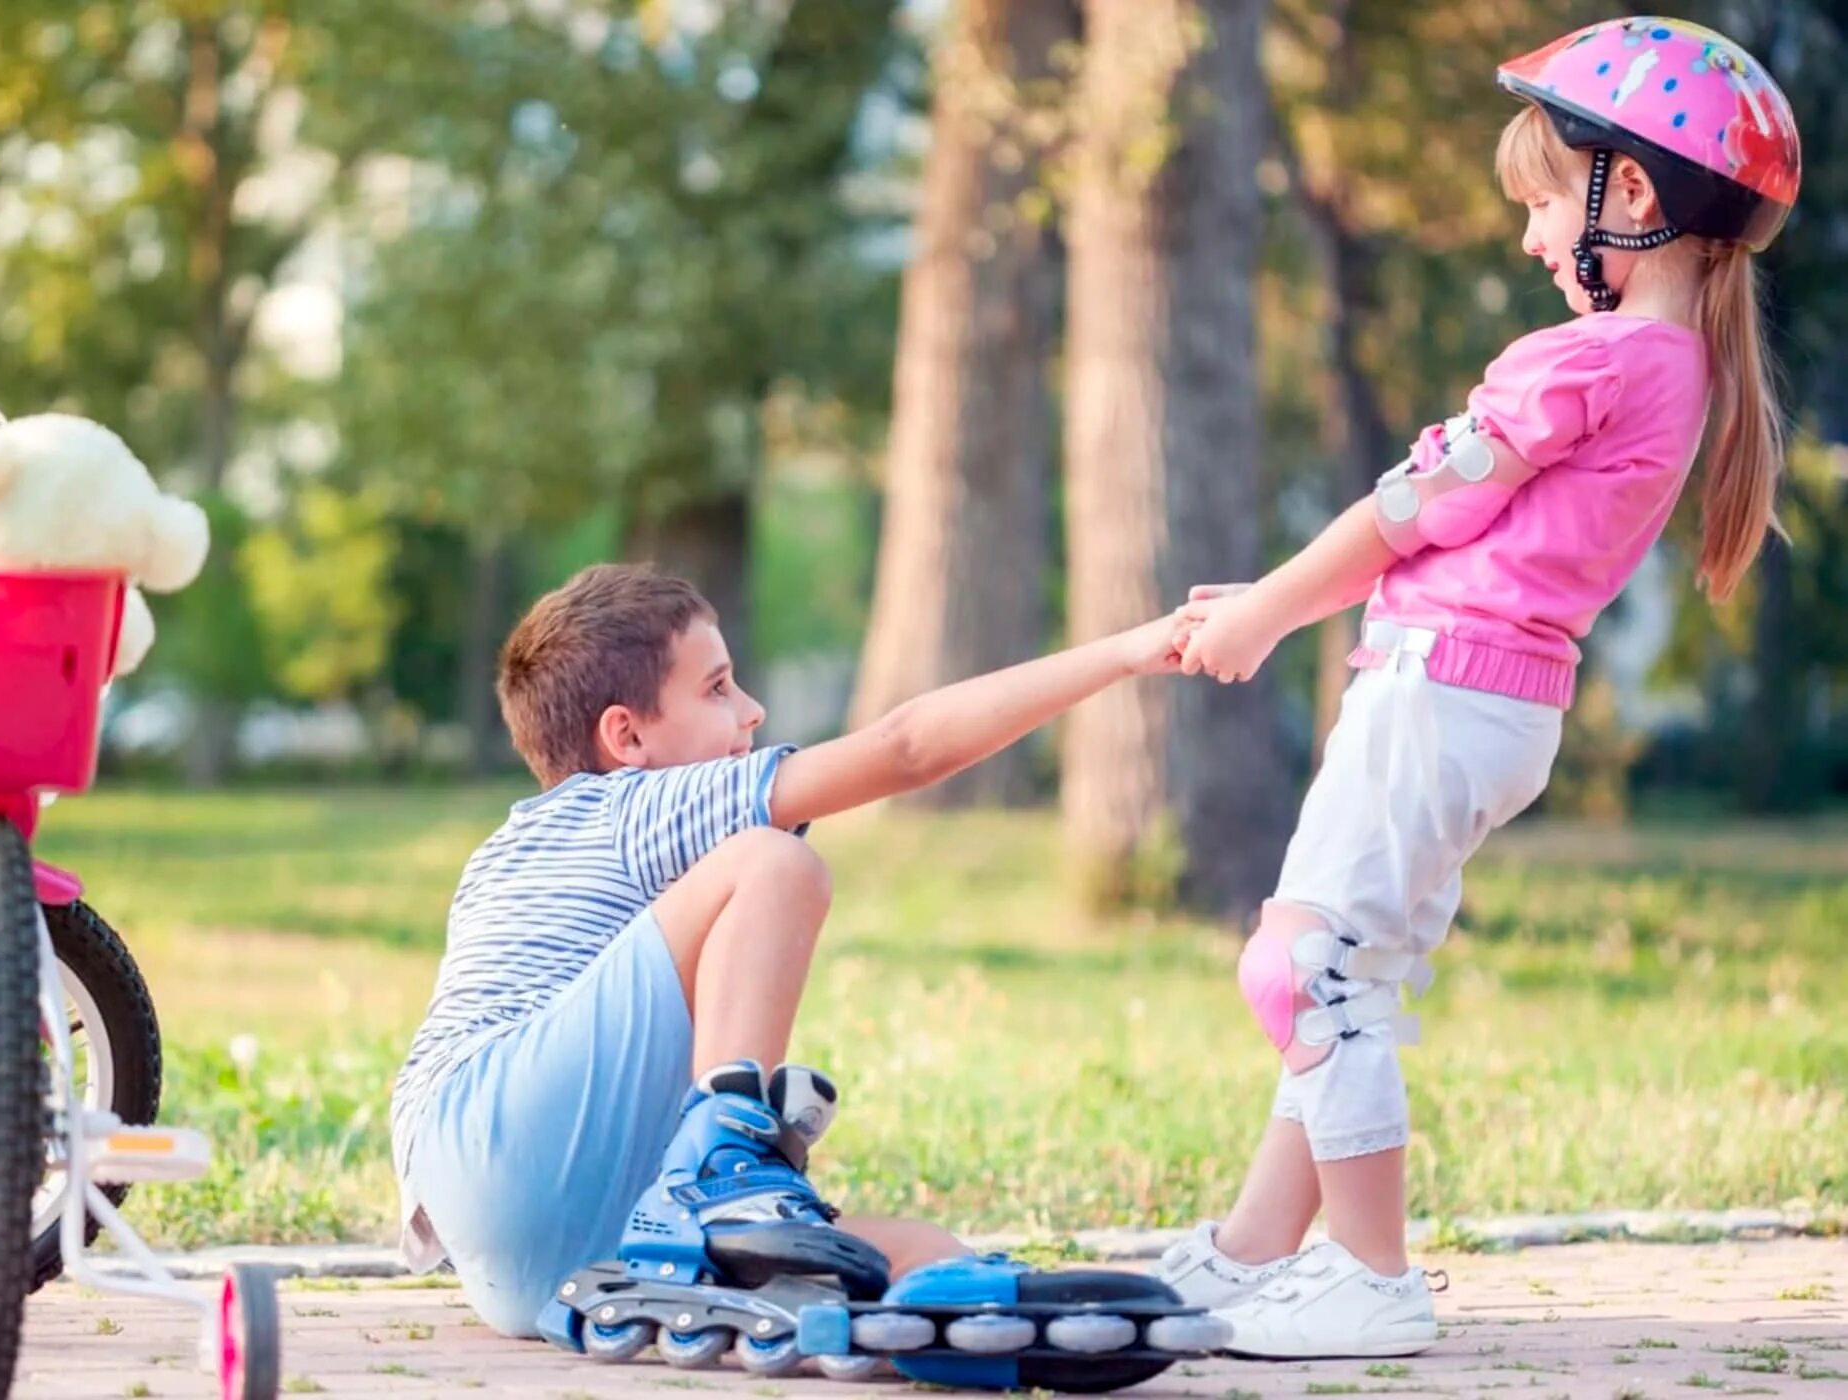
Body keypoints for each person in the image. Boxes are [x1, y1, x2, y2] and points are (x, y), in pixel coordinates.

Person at [1157, 16, 1801, 1359]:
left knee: (1304, 965)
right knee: (1350, 969)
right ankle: (1253, 1253)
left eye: (1544, 200)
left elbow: (1408, 517)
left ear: (1631, 197)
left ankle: (1371, 1277)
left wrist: (1270, 609)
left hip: (1439, 694)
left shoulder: (1591, 359)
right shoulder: (1673, 368)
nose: (1526, 238)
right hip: (1486, 704)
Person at [387, 562, 1186, 1336]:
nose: (753, 709)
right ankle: (724, 1170)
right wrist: (1125, 652)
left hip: (522, 1249)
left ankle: (967, 1313)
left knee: (917, 1255)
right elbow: (906, 748)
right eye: (717, 687)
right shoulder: (631, 804)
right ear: (625, 736)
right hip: (497, 1129)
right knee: (772, 860)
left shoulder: (511, 846)